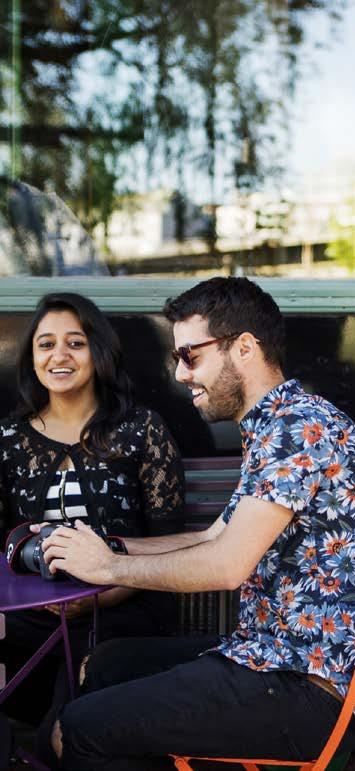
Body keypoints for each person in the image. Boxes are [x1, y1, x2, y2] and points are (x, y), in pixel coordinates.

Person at [39, 277, 355, 771]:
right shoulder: (277, 423)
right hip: (274, 656)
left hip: (307, 688)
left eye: (190, 356)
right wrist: (111, 545)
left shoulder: (296, 429)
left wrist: (109, 568)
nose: (179, 373)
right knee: (104, 665)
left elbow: (227, 566)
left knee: (75, 732)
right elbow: (214, 536)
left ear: (243, 348)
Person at [0, 292, 184, 760]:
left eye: (75, 343)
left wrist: (103, 590)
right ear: (32, 359)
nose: (59, 356)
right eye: (45, 344)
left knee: (85, 672)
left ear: (98, 351)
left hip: (125, 609)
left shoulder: (142, 429)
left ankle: (59, 741)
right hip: (30, 619)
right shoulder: (7, 439)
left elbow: (169, 545)